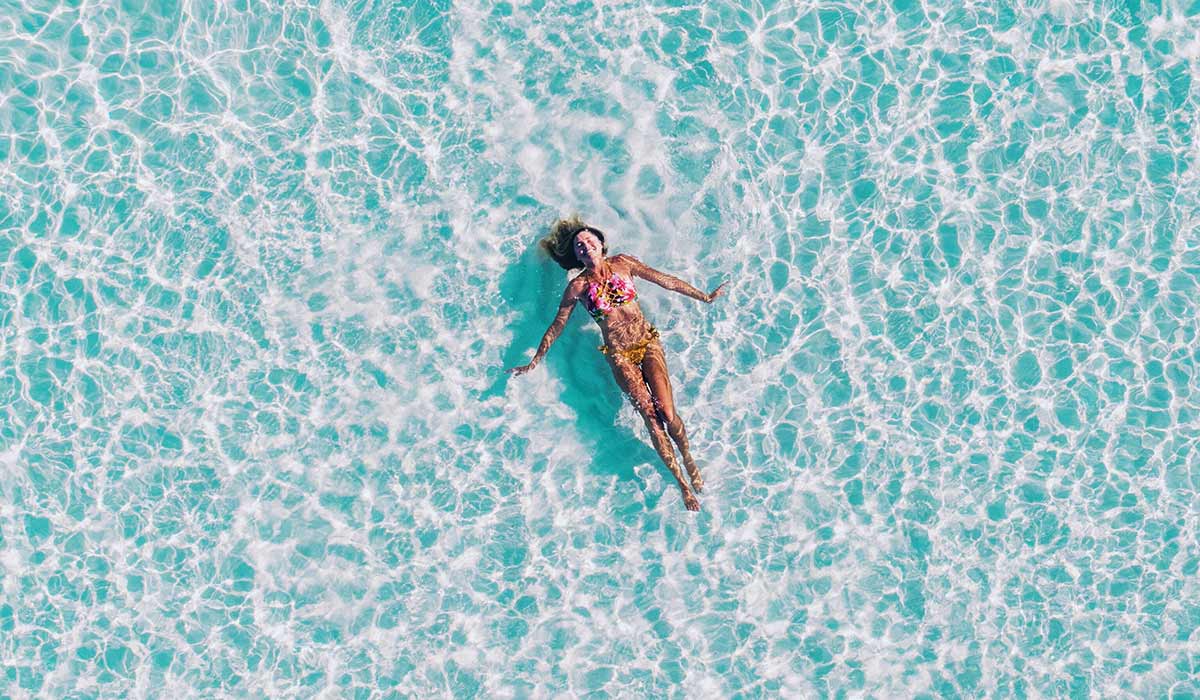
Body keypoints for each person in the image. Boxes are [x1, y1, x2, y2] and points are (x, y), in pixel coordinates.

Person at [507, 216, 727, 511]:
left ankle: (687, 457)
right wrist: (534, 361)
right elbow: (558, 324)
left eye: (589, 240)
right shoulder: (578, 287)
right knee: (651, 418)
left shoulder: (624, 264)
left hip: (648, 344)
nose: (585, 246)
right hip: (620, 356)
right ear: (577, 256)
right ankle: (683, 485)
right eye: (579, 245)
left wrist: (705, 297)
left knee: (668, 410)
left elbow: (666, 281)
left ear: (600, 244)